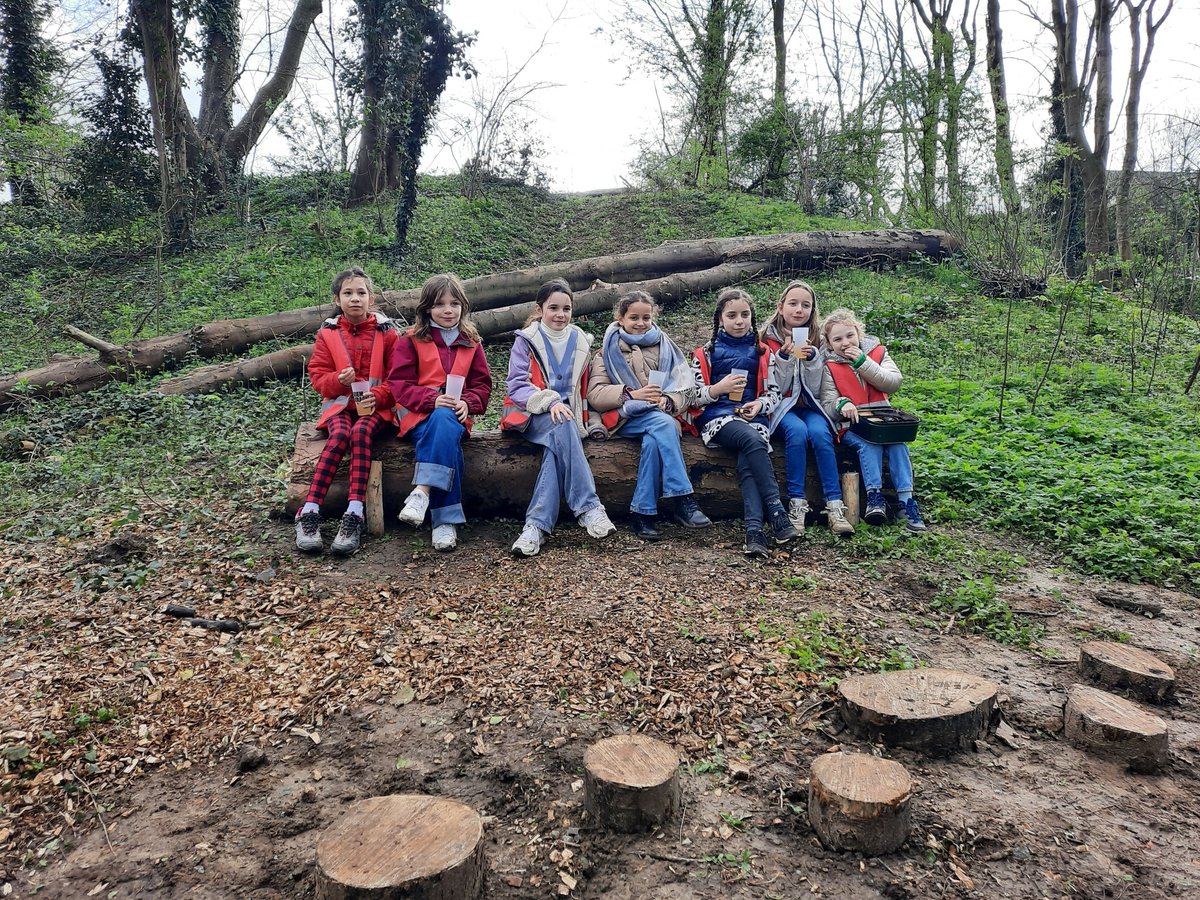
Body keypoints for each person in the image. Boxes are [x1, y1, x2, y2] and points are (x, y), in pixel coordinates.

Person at [501, 278, 617, 557]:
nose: (560, 314)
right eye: (553, 307)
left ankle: (535, 528)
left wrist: (594, 420)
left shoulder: (581, 341)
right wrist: (550, 401)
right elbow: (516, 385)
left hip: (569, 419)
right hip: (531, 413)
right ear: (539, 309)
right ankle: (589, 507)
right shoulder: (526, 340)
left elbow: (588, 389)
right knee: (561, 424)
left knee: (555, 452)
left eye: (566, 308)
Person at [586, 291, 712, 539]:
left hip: (660, 415)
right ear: (620, 318)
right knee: (663, 425)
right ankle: (683, 498)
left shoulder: (666, 347)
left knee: (656, 438)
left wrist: (668, 400)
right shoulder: (606, 352)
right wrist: (631, 394)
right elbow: (596, 395)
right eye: (634, 317)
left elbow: (687, 388)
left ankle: (643, 513)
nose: (641, 322)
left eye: (646, 317)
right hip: (624, 417)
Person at [295, 267, 399, 555]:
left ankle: (354, 512)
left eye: (361, 293)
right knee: (340, 434)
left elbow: (398, 377)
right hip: (340, 405)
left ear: (372, 298)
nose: (355, 299)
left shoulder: (388, 333)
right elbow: (318, 376)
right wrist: (336, 381)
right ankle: (309, 510)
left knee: (360, 432)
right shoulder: (328, 334)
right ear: (337, 299)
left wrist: (377, 396)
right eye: (348, 293)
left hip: (377, 409)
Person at [690, 287, 799, 557]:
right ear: (719, 319)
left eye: (745, 315)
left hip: (753, 417)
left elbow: (774, 393)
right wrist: (718, 388)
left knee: (748, 460)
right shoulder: (704, 353)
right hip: (718, 417)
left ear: (752, 316)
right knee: (752, 441)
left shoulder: (763, 352)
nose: (739, 321)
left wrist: (759, 404)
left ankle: (754, 533)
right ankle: (776, 510)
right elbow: (693, 396)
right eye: (732, 315)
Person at [387, 273, 492, 551]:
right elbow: (398, 385)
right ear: (427, 309)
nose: (448, 310)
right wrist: (432, 399)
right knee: (446, 434)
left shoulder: (471, 341)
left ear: (463, 307)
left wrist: (468, 402)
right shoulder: (410, 339)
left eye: (454, 304)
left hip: (456, 416)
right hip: (419, 417)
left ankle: (422, 492)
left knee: (446, 419)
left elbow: (483, 386)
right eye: (440, 304)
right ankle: (444, 521)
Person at [819, 308, 927, 533]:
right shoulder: (828, 365)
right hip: (852, 426)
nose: (845, 343)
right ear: (829, 344)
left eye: (850, 336)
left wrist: (862, 362)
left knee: (898, 445)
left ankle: (906, 502)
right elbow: (827, 402)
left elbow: (892, 382)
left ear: (859, 333)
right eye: (837, 339)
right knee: (869, 445)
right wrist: (842, 404)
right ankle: (874, 496)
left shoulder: (878, 353)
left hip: (882, 421)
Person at [761, 280, 854, 537]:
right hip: (782, 407)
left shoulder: (819, 341)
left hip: (810, 405)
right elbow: (773, 387)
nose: (799, 310)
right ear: (781, 307)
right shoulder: (767, 340)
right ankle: (796, 504)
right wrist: (783, 358)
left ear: (812, 311)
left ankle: (834, 506)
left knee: (820, 433)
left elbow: (817, 389)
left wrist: (813, 361)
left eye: (806, 305)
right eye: (793, 304)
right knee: (797, 432)